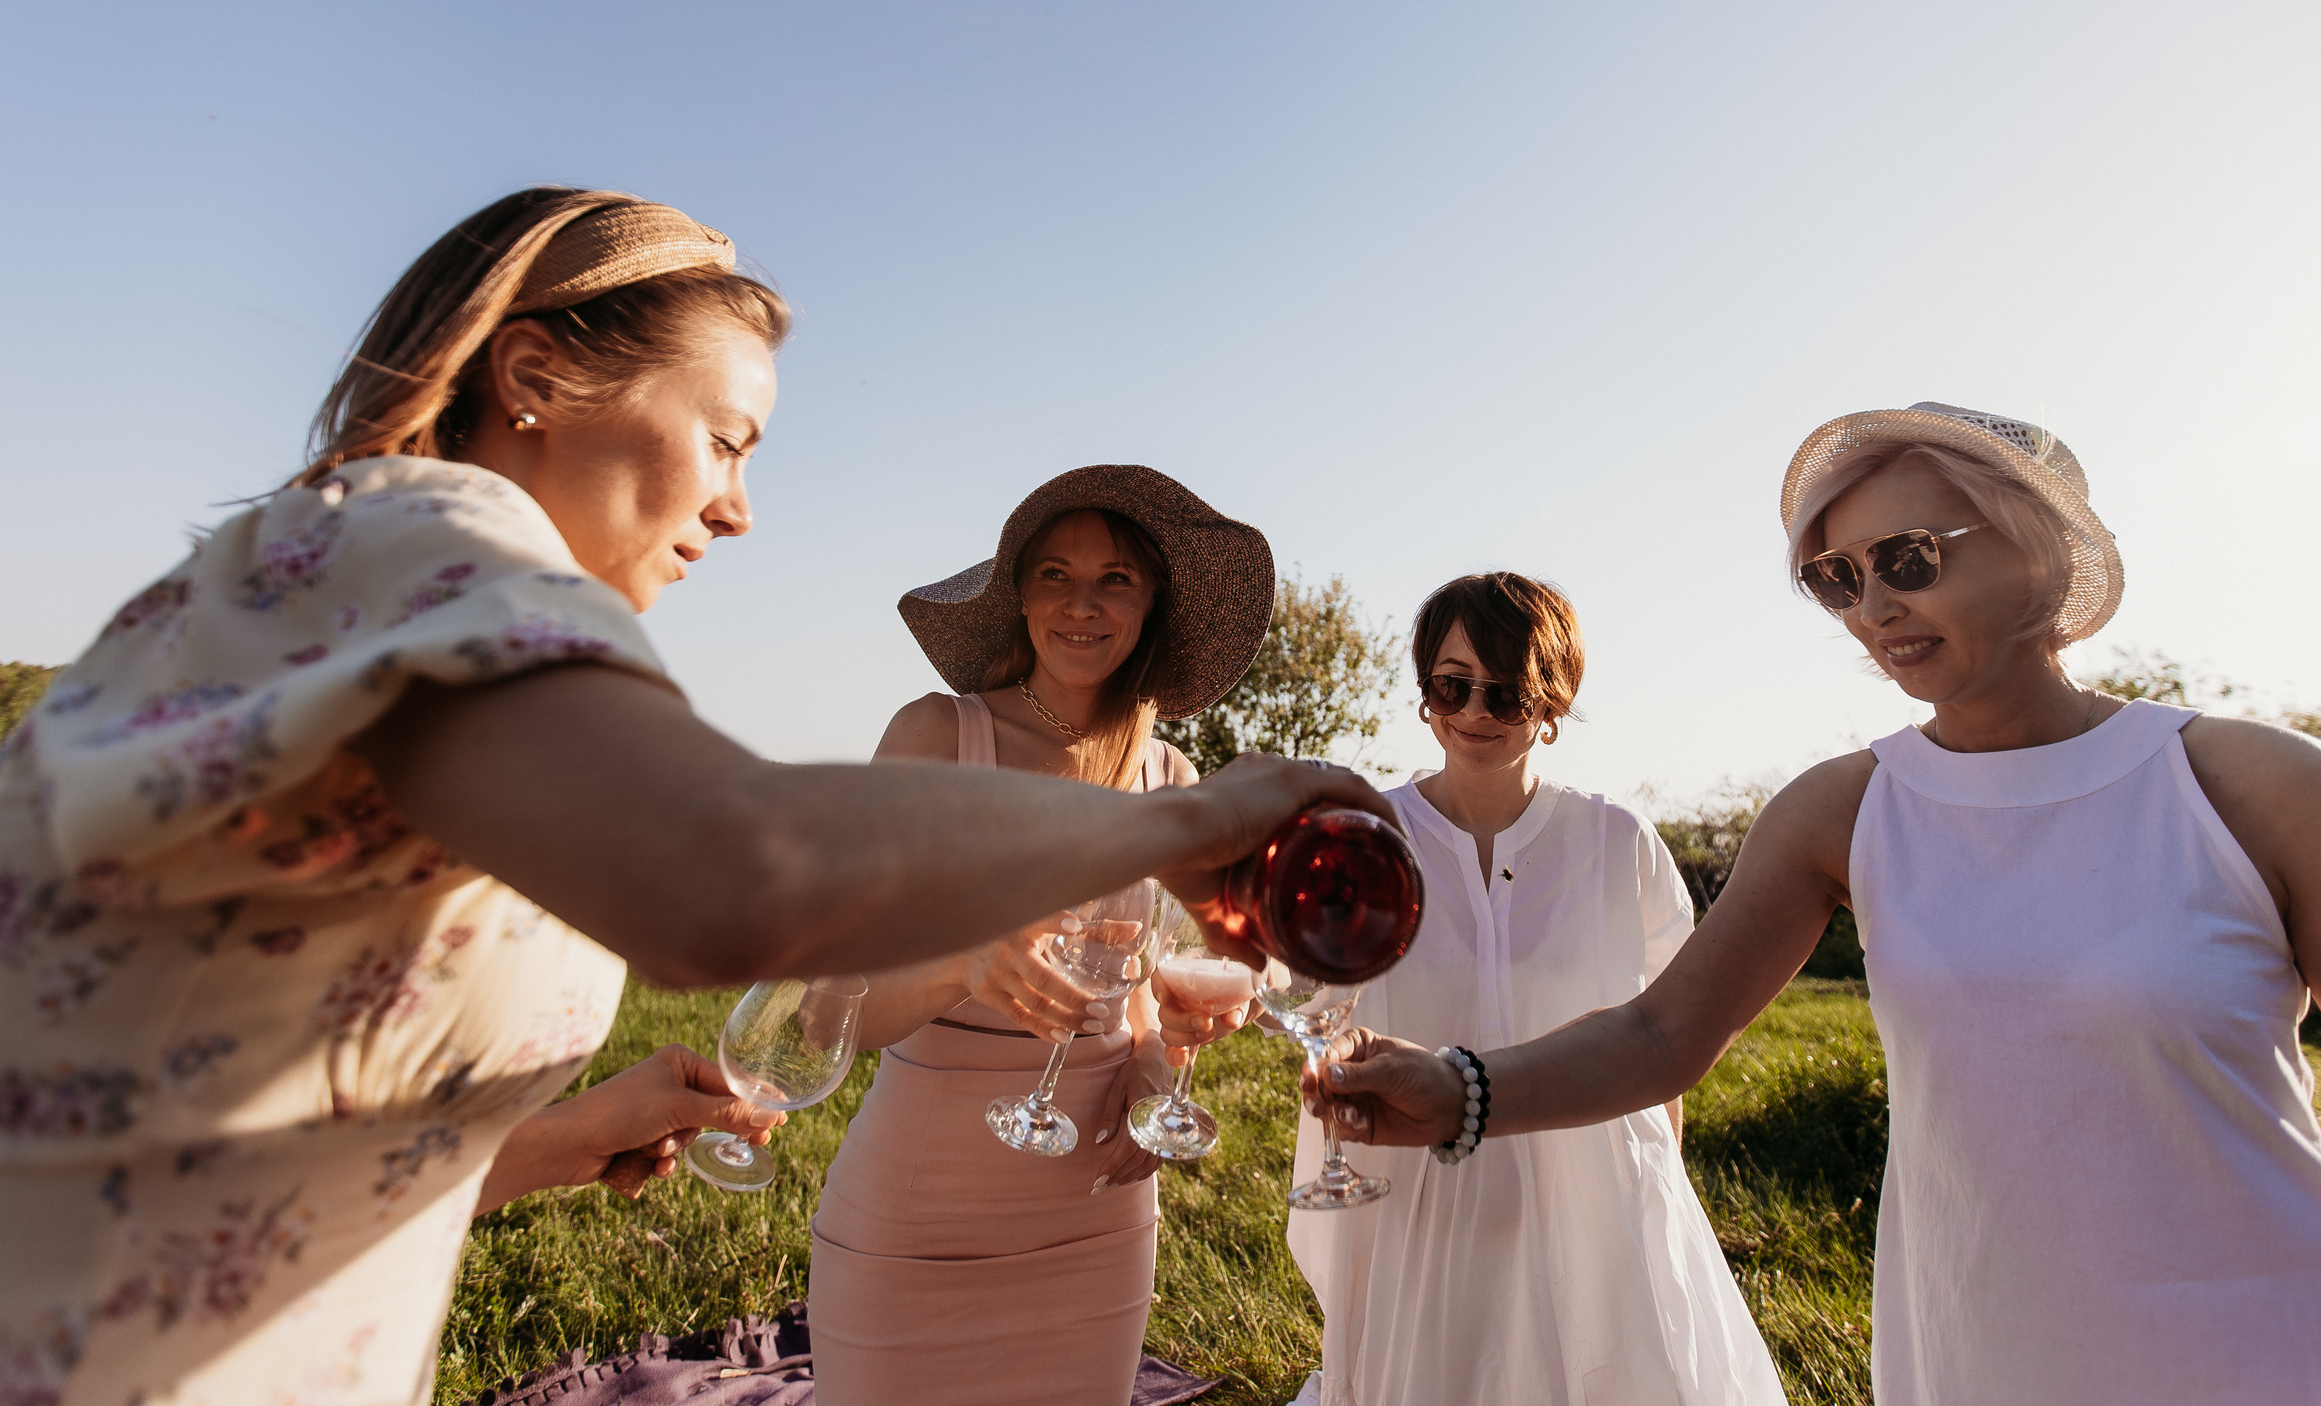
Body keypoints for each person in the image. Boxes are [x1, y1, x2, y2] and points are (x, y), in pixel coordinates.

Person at [0, 189, 1389, 1406]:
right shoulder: (418, 540)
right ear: (533, 377)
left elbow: (275, 1115)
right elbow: (732, 875)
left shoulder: (376, 588)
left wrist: (560, 1138)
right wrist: (1195, 823)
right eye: (727, 440)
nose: (739, 509)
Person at [1311, 402, 2321, 1406]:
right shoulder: (1843, 810)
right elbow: (1658, 1033)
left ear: (2040, 553)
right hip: (1973, 1363)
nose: (1872, 606)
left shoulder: (2254, 785)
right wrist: (1459, 1089)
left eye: (1907, 559)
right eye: (1836, 578)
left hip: (2304, 1363)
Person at [804, 466, 1273, 1406]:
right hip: (917, 1215)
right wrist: (963, 962)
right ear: (1017, 595)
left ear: (1152, 602)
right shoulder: (938, 738)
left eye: (1114, 579)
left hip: (1097, 1218)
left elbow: (1144, 996)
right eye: (1055, 574)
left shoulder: (1173, 779)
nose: (1081, 604)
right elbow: (821, 1016)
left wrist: (1152, 1062)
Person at [1285, 573, 1783, 1406]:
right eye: (1453, 685)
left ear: (1552, 700)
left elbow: (1665, 1030)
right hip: (1416, 1192)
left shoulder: (1618, 843)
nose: (1476, 710)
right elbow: (1301, 998)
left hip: (1590, 1193)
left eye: (1507, 692)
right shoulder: (1365, 836)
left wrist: (1653, 1188)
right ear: (1425, 691)